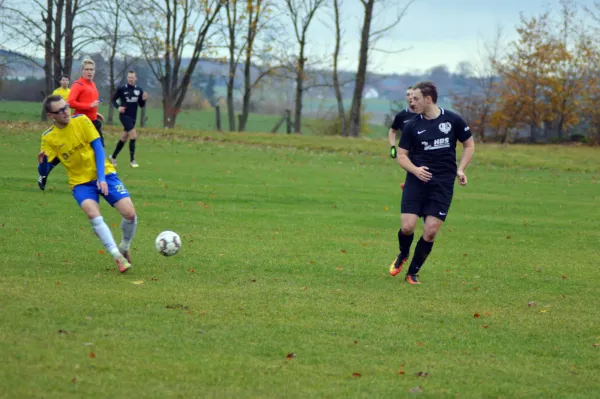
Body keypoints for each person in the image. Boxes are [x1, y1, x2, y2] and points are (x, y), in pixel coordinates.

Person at [37, 95, 137, 273]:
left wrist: (101, 178)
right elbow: (44, 171)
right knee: (93, 214)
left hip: (104, 173)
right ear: (51, 115)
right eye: (60, 110)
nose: (66, 111)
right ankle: (118, 257)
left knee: (130, 214)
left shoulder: (82, 120)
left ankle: (124, 246)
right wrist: (42, 165)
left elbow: (98, 148)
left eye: (66, 107)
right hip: (80, 183)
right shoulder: (49, 137)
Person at [389, 81, 475, 284]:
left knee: (430, 231)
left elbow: (469, 145)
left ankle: (412, 273)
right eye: (411, 98)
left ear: (428, 99)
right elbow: (401, 156)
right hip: (416, 181)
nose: (412, 102)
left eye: (416, 98)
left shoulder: (453, 120)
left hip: (443, 183)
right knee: (408, 227)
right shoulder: (411, 125)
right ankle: (403, 253)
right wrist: (416, 171)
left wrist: (460, 169)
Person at [109, 70, 148, 168]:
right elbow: (113, 99)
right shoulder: (122, 88)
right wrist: (118, 107)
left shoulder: (139, 90)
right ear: (127, 78)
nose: (131, 79)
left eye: (132, 77)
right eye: (129, 77)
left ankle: (113, 157)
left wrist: (144, 99)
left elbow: (141, 105)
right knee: (133, 136)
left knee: (124, 138)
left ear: (135, 78)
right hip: (124, 116)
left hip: (133, 117)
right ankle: (132, 161)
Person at [68, 58, 105, 146]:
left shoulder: (93, 84)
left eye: (91, 69)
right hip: (81, 123)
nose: (89, 72)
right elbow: (70, 102)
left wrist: (95, 113)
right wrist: (89, 106)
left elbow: (89, 102)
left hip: (93, 121)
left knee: (100, 147)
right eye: (87, 69)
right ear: (82, 71)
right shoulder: (78, 85)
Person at [388, 86, 417, 159]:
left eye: (412, 94)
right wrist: (393, 147)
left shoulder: (424, 114)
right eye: (408, 95)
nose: (410, 97)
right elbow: (392, 131)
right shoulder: (401, 116)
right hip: (407, 153)